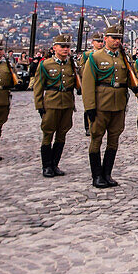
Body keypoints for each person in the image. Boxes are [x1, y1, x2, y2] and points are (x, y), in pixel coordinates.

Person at [81, 23, 135, 188]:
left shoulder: (123, 58)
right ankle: (97, 175)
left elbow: (129, 79)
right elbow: (88, 84)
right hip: (101, 105)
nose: (117, 41)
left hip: (118, 105)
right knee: (96, 139)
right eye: (114, 38)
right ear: (105, 39)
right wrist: (89, 107)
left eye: (119, 38)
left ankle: (107, 173)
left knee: (114, 139)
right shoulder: (95, 57)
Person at [32, 34, 80, 177]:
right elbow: (38, 86)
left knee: (62, 134)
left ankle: (55, 164)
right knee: (48, 134)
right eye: (62, 46)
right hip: (51, 103)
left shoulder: (71, 64)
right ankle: (46, 166)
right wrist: (39, 105)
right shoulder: (46, 64)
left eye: (67, 47)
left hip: (67, 103)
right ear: (54, 48)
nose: (65, 49)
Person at [79, 32, 104, 136]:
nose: (100, 44)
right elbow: (82, 68)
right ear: (93, 42)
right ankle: (88, 127)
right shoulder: (87, 55)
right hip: (90, 82)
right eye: (98, 41)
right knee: (89, 105)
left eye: (102, 41)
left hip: (101, 83)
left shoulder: (104, 55)